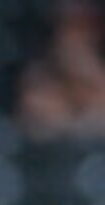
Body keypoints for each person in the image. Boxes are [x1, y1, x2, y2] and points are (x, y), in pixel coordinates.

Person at [21, 2, 105, 136]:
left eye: (82, 27)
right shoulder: (38, 76)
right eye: (67, 28)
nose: (74, 37)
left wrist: (88, 72)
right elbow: (39, 123)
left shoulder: (97, 73)